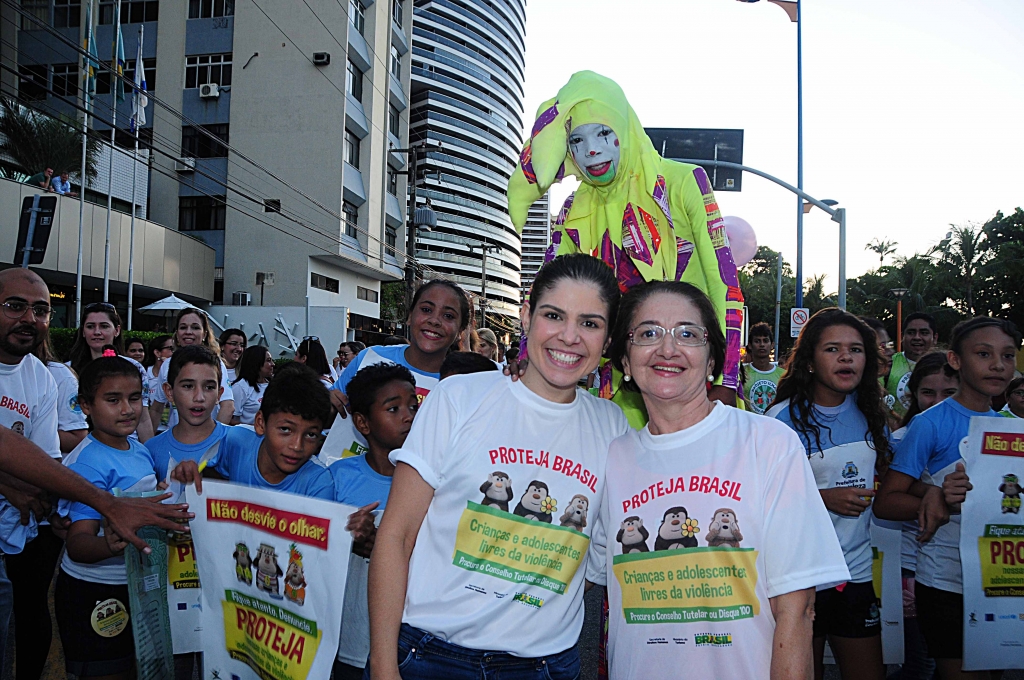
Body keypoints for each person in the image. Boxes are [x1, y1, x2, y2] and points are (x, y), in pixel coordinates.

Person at [367, 254, 630, 680]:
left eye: (590, 323)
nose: (569, 337)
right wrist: (383, 666)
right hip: (428, 656)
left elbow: (594, 557)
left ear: (608, 338)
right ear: (526, 317)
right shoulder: (458, 398)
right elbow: (395, 536)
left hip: (544, 666)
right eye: (553, 315)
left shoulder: (613, 428)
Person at [591, 281, 848, 680]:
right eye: (648, 333)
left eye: (688, 334)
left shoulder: (767, 444)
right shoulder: (613, 458)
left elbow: (797, 610)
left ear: (712, 360)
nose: (668, 348)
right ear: (624, 359)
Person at [507, 71, 745, 420]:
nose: (591, 150)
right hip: (614, 389)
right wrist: (528, 354)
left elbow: (723, 282)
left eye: (604, 133)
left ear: (625, 129)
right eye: (576, 140)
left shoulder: (683, 182)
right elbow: (548, 287)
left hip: (689, 377)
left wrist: (726, 377)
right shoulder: (574, 209)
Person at [875, 316, 1020, 680]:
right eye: (984, 354)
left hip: (1002, 582)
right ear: (955, 360)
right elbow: (887, 502)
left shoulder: (1010, 428)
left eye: (1008, 355)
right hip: (945, 583)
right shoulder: (931, 423)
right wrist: (937, 497)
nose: (998, 365)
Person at [768, 308, 890, 680]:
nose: (845, 357)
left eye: (855, 349)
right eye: (832, 349)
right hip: (798, 579)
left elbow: (888, 480)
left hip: (854, 574)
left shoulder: (873, 414)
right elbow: (758, 503)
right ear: (808, 361)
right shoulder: (779, 421)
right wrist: (822, 498)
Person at [55, 354, 160, 679]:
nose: (127, 409)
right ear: (85, 405)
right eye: (113, 400)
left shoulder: (137, 447)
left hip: (133, 585)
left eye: (134, 398)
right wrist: (111, 545)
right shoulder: (87, 464)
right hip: (95, 592)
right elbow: (78, 544)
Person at [330, 363, 419, 680]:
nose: (409, 416)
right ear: (362, 423)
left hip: (413, 643)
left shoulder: (431, 482)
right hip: (349, 637)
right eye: (393, 408)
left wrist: (383, 544)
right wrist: (346, 536)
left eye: (413, 405)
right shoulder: (338, 477)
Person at [145, 346, 228, 680]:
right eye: (187, 386)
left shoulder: (240, 443)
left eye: (209, 387)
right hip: (170, 593)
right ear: (168, 391)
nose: (199, 397)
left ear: (221, 393)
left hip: (223, 592)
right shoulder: (150, 451)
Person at [324, 280, 469, 461]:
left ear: (461, 330)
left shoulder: (467, 381)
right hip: (347, 481)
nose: (434, 321)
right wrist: (328, 401)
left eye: (448, 316)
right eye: (426, 310)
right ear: (409, 316)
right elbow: (328, 410)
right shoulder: (369, 358)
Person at [0, 269, 64, 678]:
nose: (29, 318)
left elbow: (44, 462)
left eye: (41, 310)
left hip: (12, 537)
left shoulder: (40, 376)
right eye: (15, 306)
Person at [891, 351, 958, 680]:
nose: (937, 401)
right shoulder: (900, 440)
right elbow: (887, 500)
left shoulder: (977, 435)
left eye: (949, 393)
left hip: (961, 568)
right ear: (913, 394)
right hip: (911, 563)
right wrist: (930, 495)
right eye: (928, 392)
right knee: (922, 663)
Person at [172, 363, 334, 499]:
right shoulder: (236, 441)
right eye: (285, 429)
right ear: (260, 423)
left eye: (311, 434)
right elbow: (213, 476)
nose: (297, 446)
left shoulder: (318, 484)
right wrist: (192, 473)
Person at [67, 302, 154, 441]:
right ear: (83, 331)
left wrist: (149, 457)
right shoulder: (67, 371)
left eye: (104, 326)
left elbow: (143, 420)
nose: (97, 332)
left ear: (117, 330)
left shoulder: (134, 368)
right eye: (90, 326)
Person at [149, 307, 234, 431]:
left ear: (204, 334)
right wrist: (149, 443)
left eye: (195, 327)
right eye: (183, 327)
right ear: (177, 333)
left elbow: (228, 406)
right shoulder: (167, 365)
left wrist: (213, 440)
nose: (188, 332)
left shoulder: (215, 364)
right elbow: (156, 409)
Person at [887, 312, 938, 410]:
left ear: (935, 338)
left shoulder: (945, 366)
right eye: (911, 332)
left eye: (924, 333)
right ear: (902, 336)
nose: (917, 337)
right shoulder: (888, 364)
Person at [742, 322, 785, 414]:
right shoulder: (741, 373)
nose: (762, 345)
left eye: (765, 341)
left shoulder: (783, 375)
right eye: (757, 341)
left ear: (772, 345)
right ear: (750, 345)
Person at [231, 345, 273, 426]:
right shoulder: (240, 387)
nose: (273, 364)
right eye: (268, 360)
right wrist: (256, 428)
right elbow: (230, 420)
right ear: (256, 363)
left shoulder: (272, 385)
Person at [144, 335, 173, 431]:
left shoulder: (177, 375)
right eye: (170, 348)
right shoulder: (144, 374)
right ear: (157, 352)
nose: (174, 352)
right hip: (151, 429)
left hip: (170, 430)